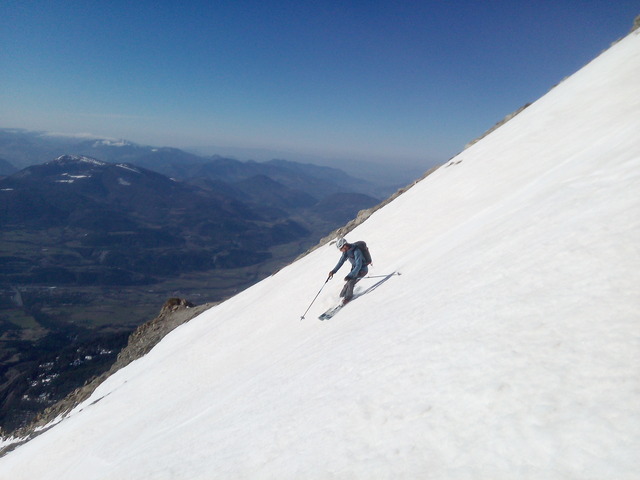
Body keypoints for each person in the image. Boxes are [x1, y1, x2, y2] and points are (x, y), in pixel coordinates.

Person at [328, 237, 368, 304]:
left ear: (345, 246)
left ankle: (348, 298)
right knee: (346, 285)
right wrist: (333, 271)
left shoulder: (356, 251)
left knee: (351, 282)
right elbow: (341, 262)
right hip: (354, 271)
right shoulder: (346, 252)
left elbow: (359, 265)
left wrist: (350, 275)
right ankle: (341, 297)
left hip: (362, 270)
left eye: (341, 249)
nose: (340, 250)